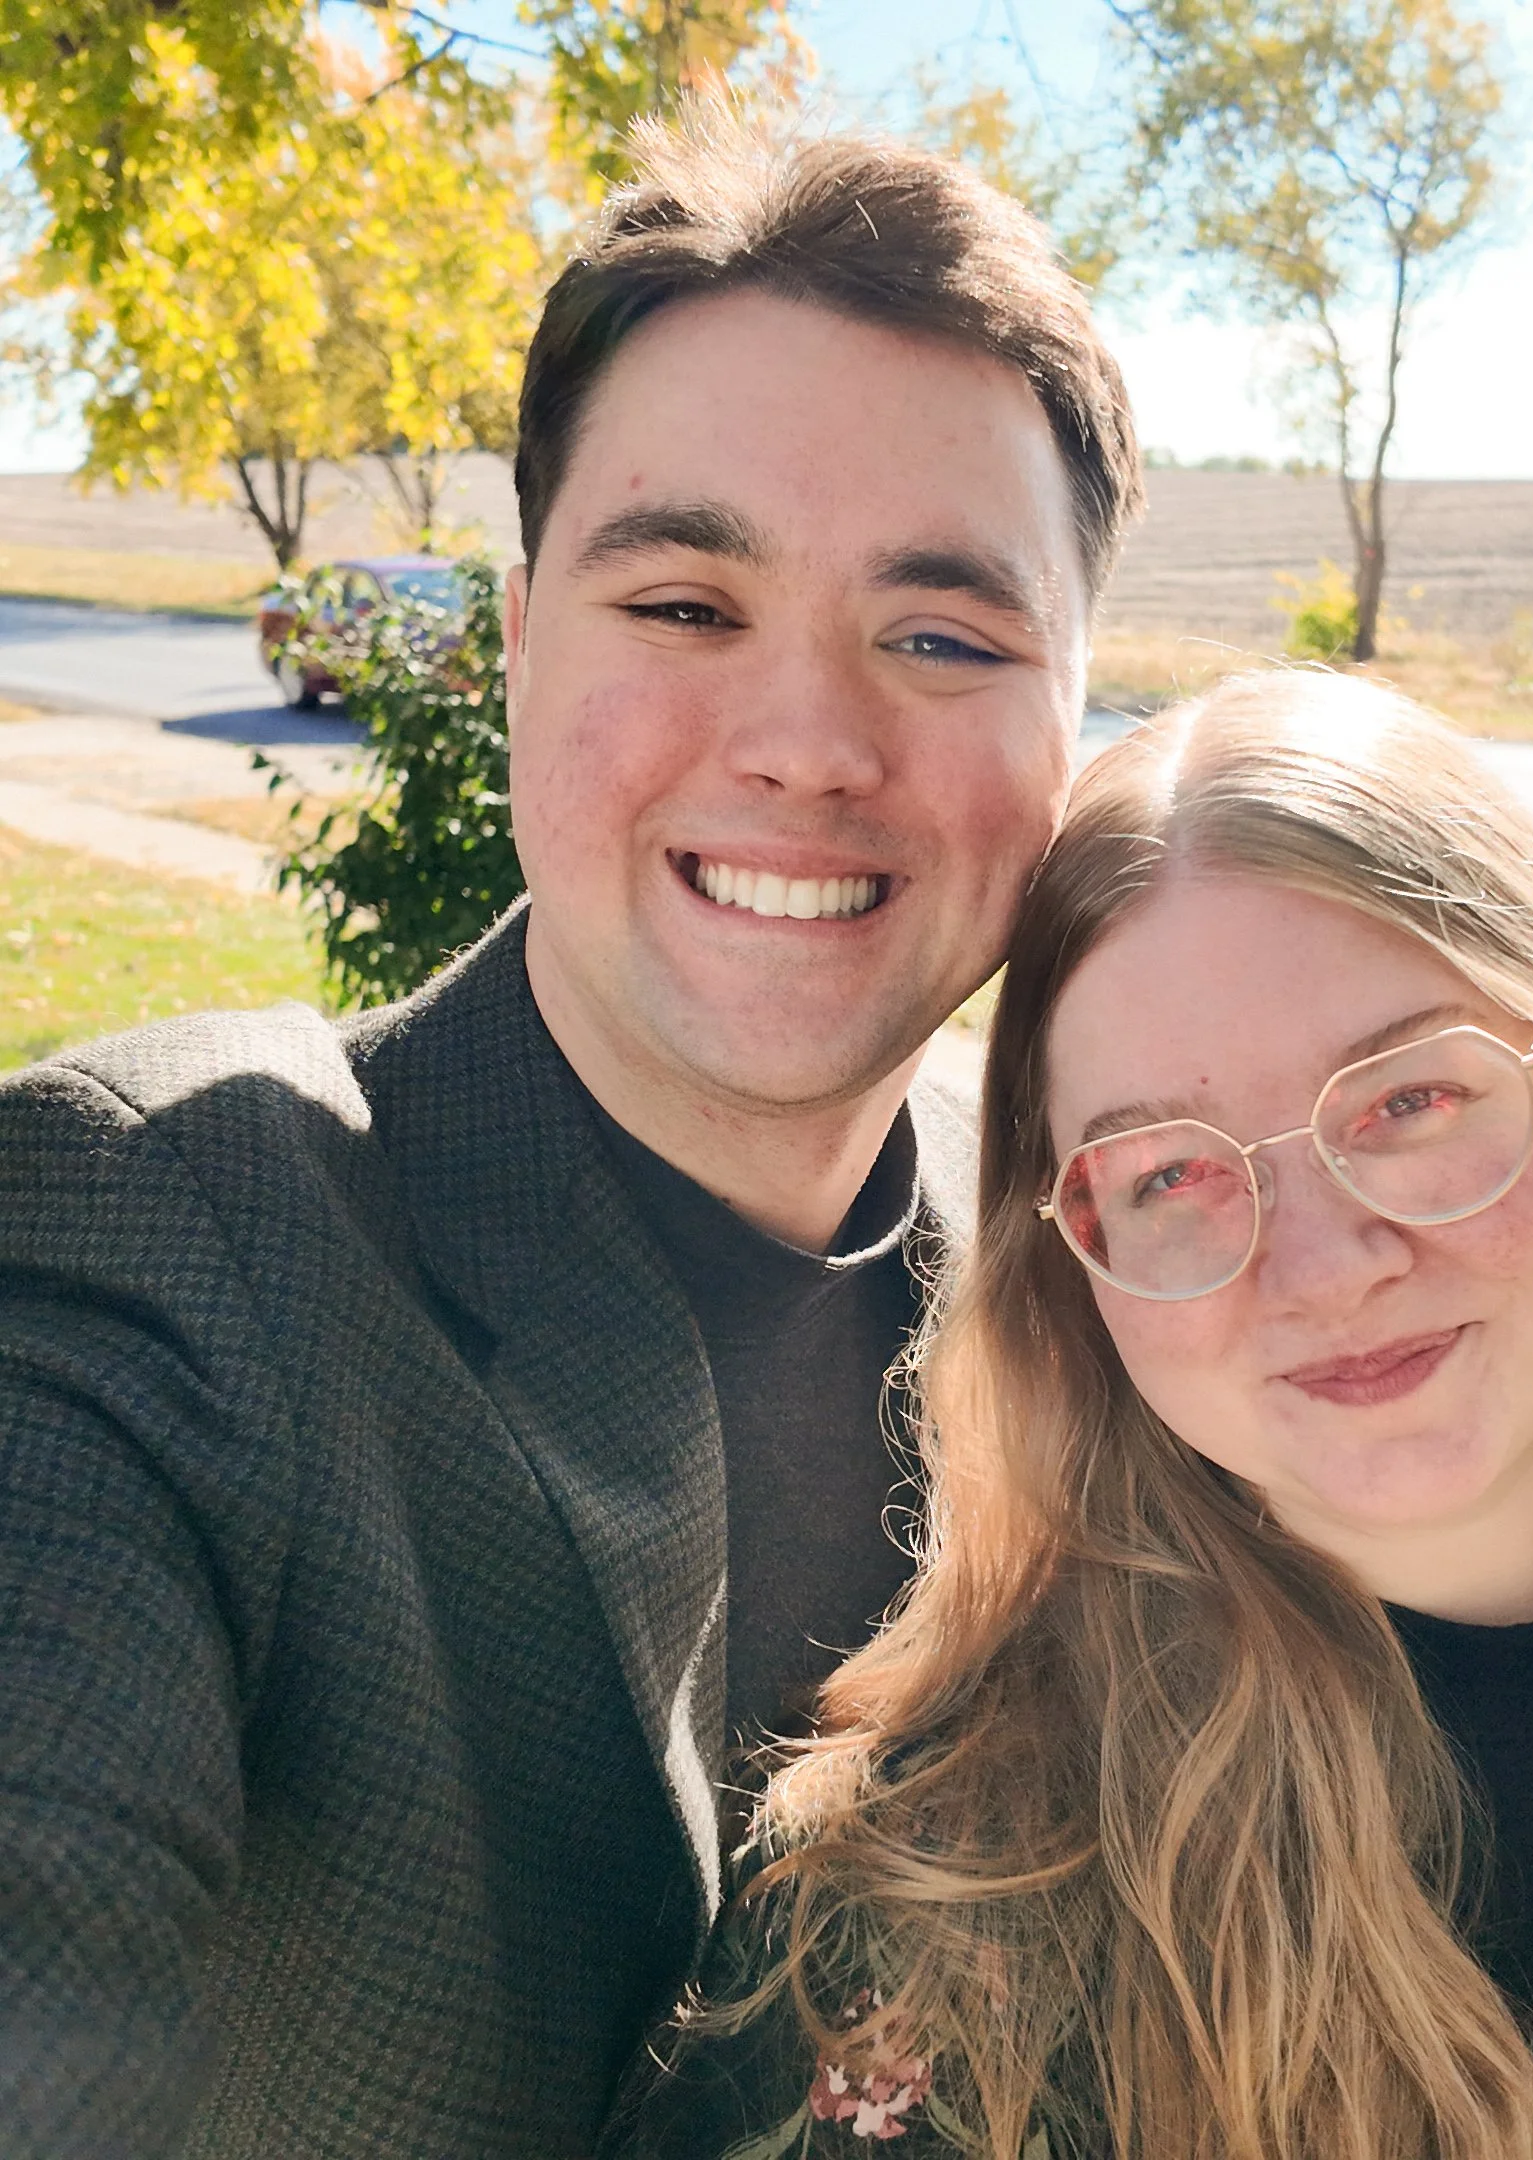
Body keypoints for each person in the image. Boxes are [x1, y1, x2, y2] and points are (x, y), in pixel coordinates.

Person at [0, 104, 1140, 2158]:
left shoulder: (1111, 1307)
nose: (806, 745)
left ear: (1074, 721)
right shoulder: (141, 1236)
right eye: (685, 604)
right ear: (521, 649)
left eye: (943, 637)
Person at [620, 669, 1533, 2160]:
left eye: (1407, 1101)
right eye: (1168, 1172)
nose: (1324, 1268)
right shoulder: (921, 1932)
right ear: (1074, 1264)